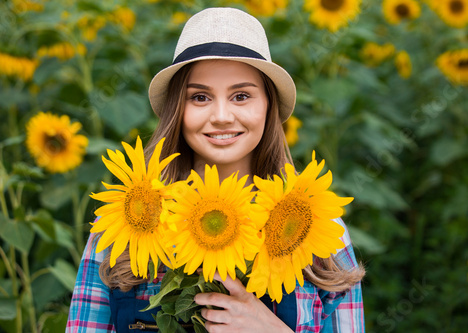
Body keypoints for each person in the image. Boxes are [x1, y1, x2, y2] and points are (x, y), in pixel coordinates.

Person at [66, 7, 365, 333]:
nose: (222, 115)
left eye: (241, 95)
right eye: (200, 97)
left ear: (268, 104)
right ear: (177, 110)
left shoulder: (320, 228)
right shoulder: (119, 228)